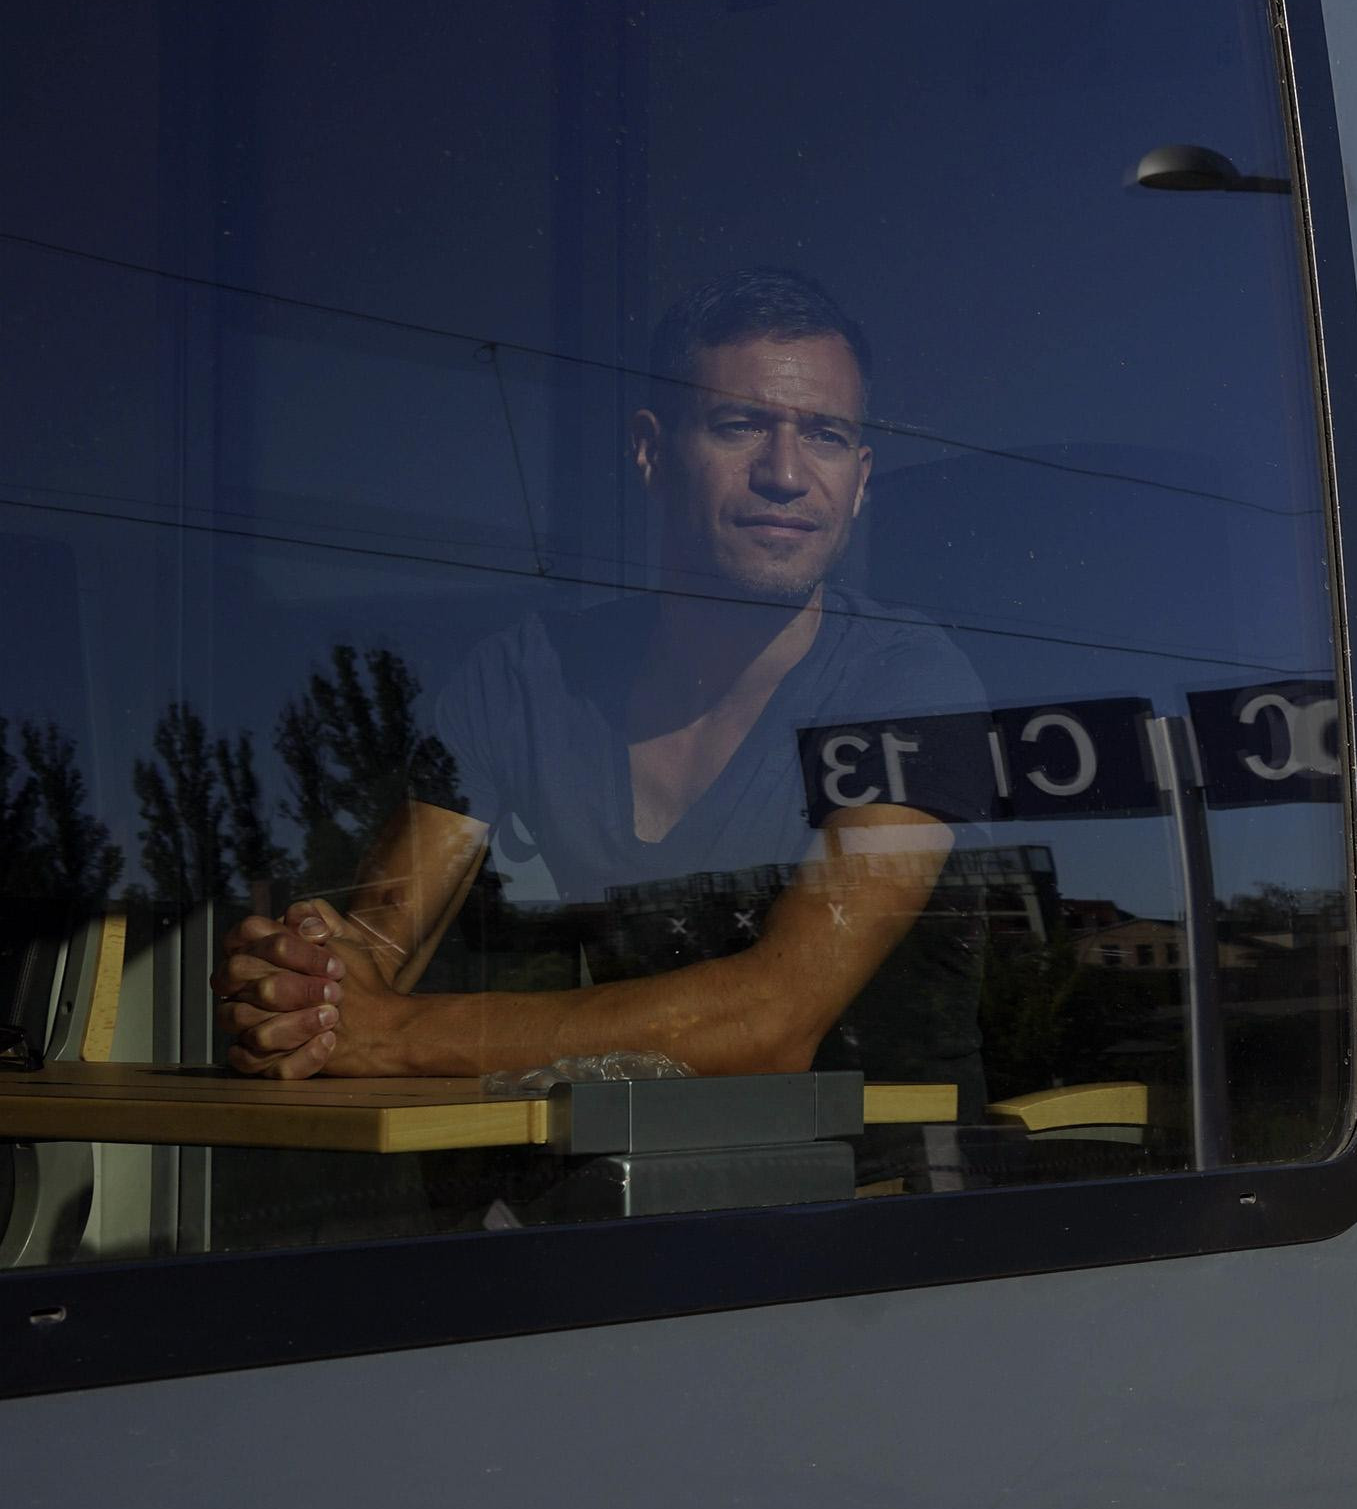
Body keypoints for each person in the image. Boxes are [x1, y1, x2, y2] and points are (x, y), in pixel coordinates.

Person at [211, 269, 987, 1106]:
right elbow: (375, 938)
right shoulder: (526, 675)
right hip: (631, 1188)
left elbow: (771, 1019)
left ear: (862, 477)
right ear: (652, 449)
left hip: (890, 1202)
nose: (787, 473)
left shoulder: (908, 677)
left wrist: (391, 1034)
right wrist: (304, 990)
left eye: (826, 436)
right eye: (739, 426)